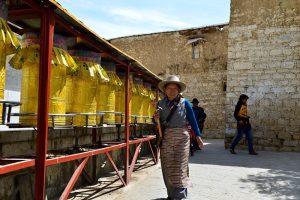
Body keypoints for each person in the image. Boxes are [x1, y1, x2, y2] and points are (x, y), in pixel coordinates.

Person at [154, 75, 204, 200]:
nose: (172, 91)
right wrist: (155, 119)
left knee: (180, 166)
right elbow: (157, 124)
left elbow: (193, 120)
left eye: (175, 88)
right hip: (167, 138)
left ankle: (181, 196)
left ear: (178, 90)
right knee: (168, 165)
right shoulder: (159, 104)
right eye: (169, 88)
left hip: (182, 138)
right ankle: (171, 195)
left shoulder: (185, 103)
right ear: (165, 90)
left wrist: (198, 137)